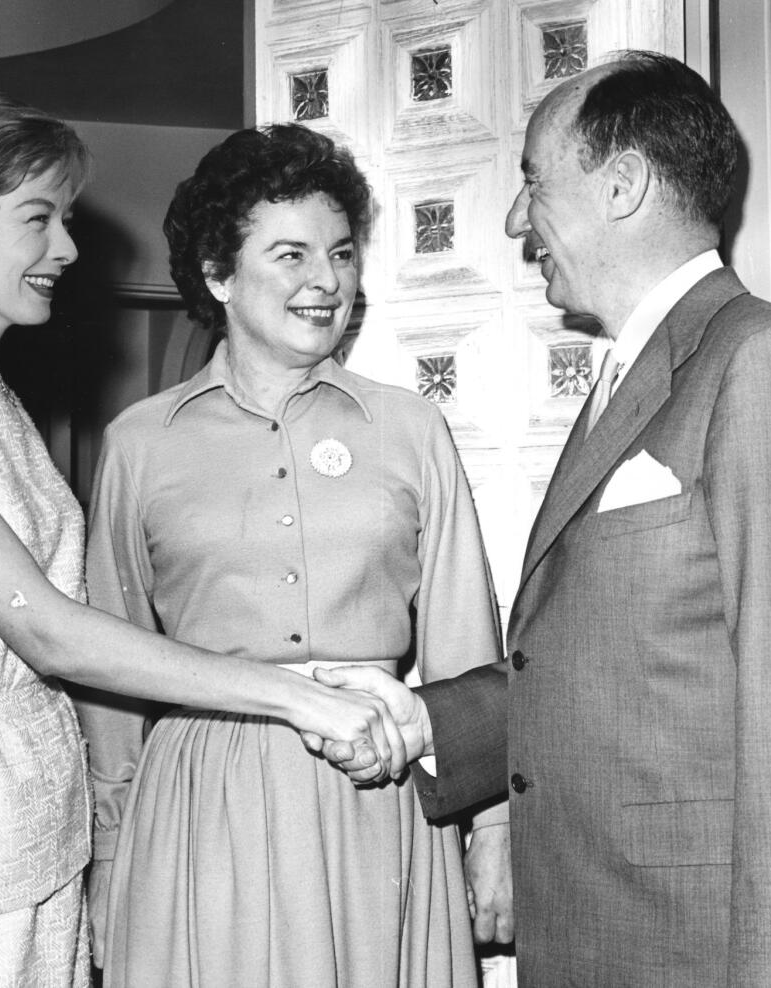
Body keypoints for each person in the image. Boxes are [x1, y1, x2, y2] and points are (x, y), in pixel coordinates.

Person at [315, 50, 771, 986]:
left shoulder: (766, 364)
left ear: (622, 184)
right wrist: (422, 719)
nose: (516, 220)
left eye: (531, 181)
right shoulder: (633, 381)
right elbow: (589, 673)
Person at [0, 87, 401, 988]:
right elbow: (48, 628)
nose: (70, 249)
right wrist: (294, 695)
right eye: (39, 219)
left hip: (30, 821)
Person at [73, 122, 510, 988]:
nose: (326, 281)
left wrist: (491, 833)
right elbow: (108, 671)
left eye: (342, 254)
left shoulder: (410, 427)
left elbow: (467, 642)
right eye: (291, 255)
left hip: (376, 797)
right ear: (217, 275)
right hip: (202, 804)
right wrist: (112, 859)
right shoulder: (138, 445)